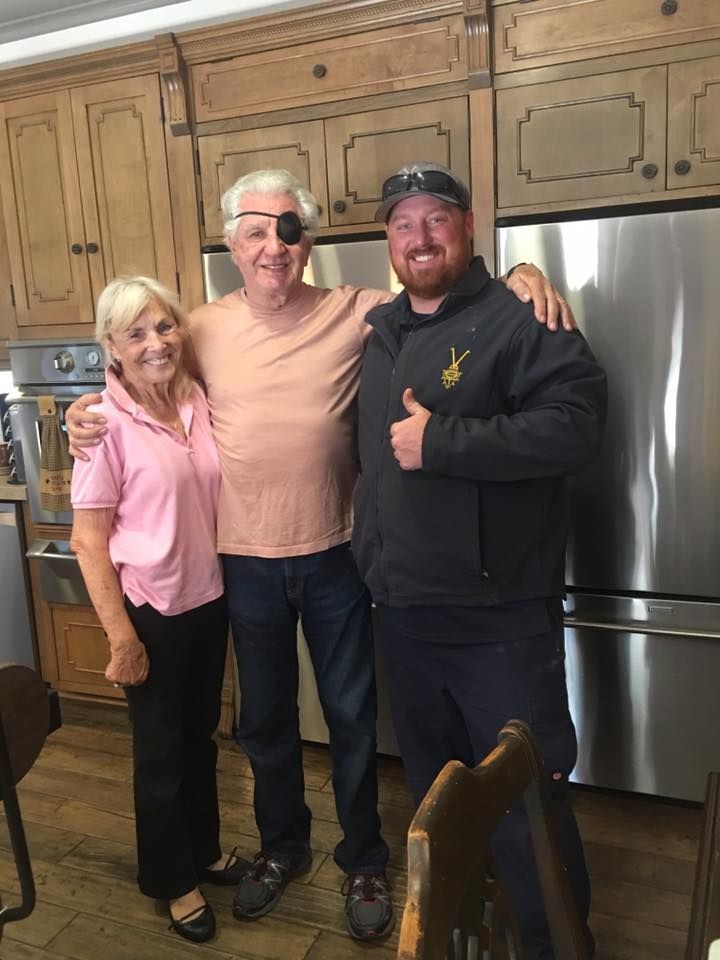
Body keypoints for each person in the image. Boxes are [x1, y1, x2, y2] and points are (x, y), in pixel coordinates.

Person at [66, 169, 577, 943]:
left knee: (349, 716)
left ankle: (364, 855)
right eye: (255, 231)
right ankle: (281, 847)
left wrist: (520, 273)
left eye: (289, 230)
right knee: (266, 721)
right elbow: (140, 371)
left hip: (339, 551)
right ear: (232, 243)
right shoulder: (198, 329)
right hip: (240, 562)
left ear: (307, 242)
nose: (275, 246)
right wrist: (85, 412)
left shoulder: (361, 313)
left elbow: (444, 293)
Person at [351, 162, 607, 960]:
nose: (419, 236)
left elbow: (577, 426)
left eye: (436, 218)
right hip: (405, 614)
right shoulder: (380, 330)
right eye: (402, 222)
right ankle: (465, 937)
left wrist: (444, 443)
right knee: (441, 807)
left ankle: (559, 944)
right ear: (387, 239)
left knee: (524, 804)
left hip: (499, 621)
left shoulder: (523, 317)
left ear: (468, 226)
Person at [70, 277, 245, 945]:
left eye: (164, 327)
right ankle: (173, 882)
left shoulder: (193, 400)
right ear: (111, 347)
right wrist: (122, 638)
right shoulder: (104, 426)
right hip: (150, 612)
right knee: (161, 755)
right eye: (136, 333)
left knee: (199, 740)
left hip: (208, 601)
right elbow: (88, 540)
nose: (155, 343)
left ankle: (201, 849)